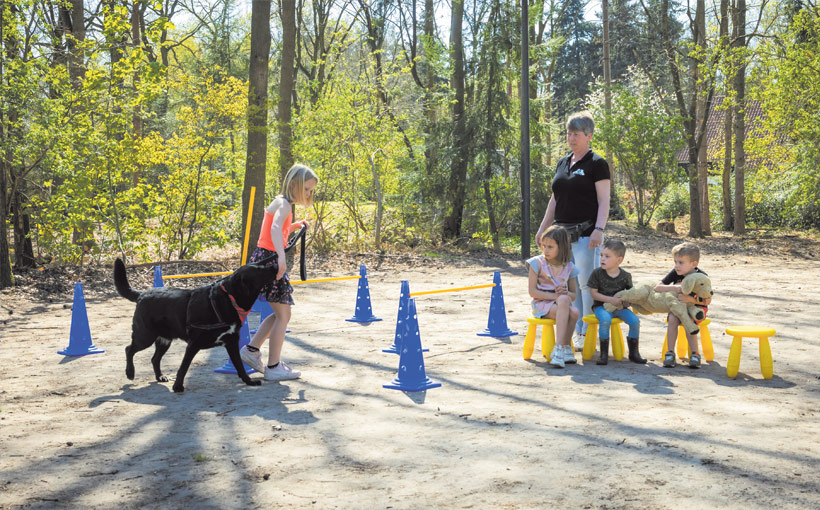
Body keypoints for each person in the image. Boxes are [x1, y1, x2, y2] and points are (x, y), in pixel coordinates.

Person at [535, 111, 611, 352]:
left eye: (576, 134)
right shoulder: (563, 162)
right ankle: (569, 328)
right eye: (569, 133)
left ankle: (585, 330)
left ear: (588, 135)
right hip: (560, 236)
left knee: (585, 284)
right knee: (566, 283)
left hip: (586, 234)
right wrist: (543, 228)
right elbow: (555, 199)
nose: (571, 138)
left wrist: (599, 229)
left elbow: (605, 200)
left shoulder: (597, 164)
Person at [240, 164, 319, 381]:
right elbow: (275, 229)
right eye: (306, 189)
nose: (309, 194)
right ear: (294, 184)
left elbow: (276, 227)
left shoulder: (279, 201)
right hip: (270, 260)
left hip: (263, 258)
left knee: (279, 314)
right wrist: (281, 256)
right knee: (284, 315)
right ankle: (273, 367)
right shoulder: (285, 205)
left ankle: (252, 350)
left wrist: (293, 226)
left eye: (311, 191)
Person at [526, 225, 581, 368]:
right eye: (543, 246)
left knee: (574, 311)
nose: (545, 250)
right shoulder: (537, 263)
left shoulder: (569, 267)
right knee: (565, 303)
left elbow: (573, 295)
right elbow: (532, 292)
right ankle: (559, 349)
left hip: (560, 305)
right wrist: (556, 296)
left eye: (550, 247)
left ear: (561, 247)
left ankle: (565, 348)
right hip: (541, 304)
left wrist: (565, 292)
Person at [654, 242, 712, 369]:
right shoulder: (676, 273)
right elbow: (658, 287)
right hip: (678, 307)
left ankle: (695, 353)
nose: (677, 266)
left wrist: (690, 299)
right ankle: (670, 353)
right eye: (675, 262)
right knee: (673, 319)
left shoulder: (701, 277)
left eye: (681, 263)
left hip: (697, 309)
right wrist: (676, 288)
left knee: (689, 320)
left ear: (694, 264)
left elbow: (707, 300)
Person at [587, 239, 644, 365]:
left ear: (619, 260)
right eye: (601, 255)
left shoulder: (625, 276)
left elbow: (630, 294)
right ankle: (603, 354)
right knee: (605, 319)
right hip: (601, 306)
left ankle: (634, 353)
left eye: (607, 256)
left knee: (635, 321)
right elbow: (593, 293)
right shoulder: (597, 273)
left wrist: (626, 303)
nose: (602, 259)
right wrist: (610, 300)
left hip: (619, 308)